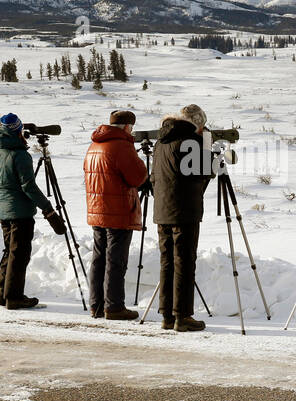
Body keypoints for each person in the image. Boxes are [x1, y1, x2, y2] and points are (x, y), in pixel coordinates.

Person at [0, 113, 66, 311]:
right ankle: (14, 297)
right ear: (18, 130)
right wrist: (48, 210)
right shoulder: (21, 155)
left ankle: (4, 293)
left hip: (3, 210)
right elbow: (29, 187)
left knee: (10, 251)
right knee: (19, 254)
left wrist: (7, 190)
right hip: (20, 213)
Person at [150, 104, 215, 332]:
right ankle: (183, 316)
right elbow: (204, 171)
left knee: (167, 262)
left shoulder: (161, 141)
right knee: (184, 263)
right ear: (198, 124)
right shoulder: (192, 141)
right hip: (184, 211)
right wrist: (207, 147)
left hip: (162, 211)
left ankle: (167, 315)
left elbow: (154, 177)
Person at [83, 110, 149, 320]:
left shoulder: (94, 145)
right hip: (118, 211)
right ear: (128, 127)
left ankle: (96, 305)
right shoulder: (121, 146)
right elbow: (138, 177)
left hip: (97, 209)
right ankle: (114, 307)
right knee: (116, 260)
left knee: (99, 258)